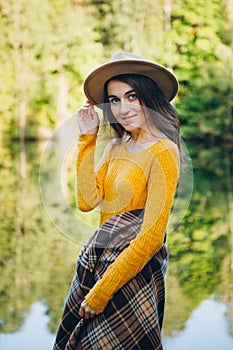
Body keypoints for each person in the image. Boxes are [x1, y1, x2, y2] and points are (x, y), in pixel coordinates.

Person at [53, 52, 181, 350]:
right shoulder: (116, 148)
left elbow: (150, 237)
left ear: (149, 97)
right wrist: (88, 139)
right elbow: (88, 201)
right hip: (100, 265)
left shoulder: (164, 152)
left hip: (132, 276)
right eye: (113, 100)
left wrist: (102, 293)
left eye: (131, 96)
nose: (122, 108)